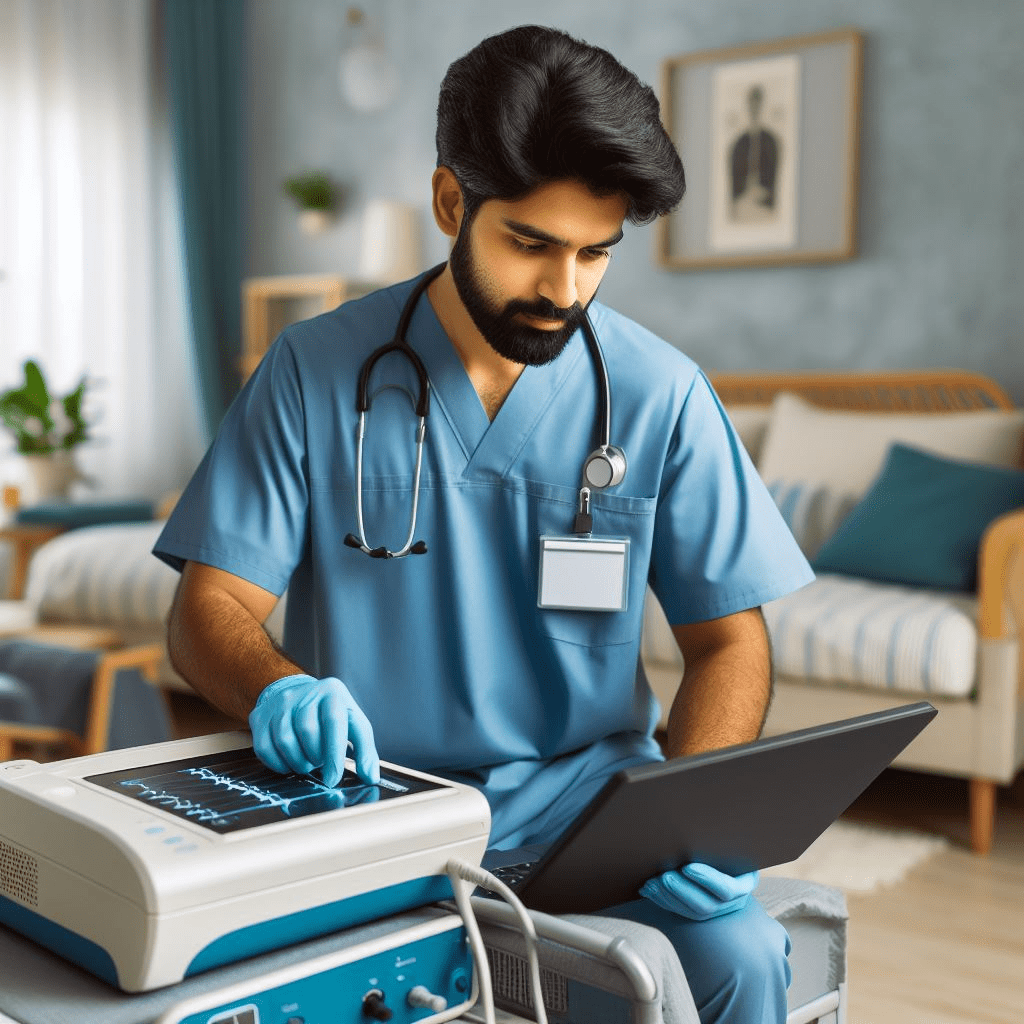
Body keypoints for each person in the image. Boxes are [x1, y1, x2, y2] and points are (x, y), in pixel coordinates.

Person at [155, 25, 813, 1024]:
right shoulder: (312, 371)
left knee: (743, 958)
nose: (565, 290)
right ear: (451, 202)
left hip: (594, 815)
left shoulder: (660, 394)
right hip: (368, 807)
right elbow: (210, 608)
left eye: (596, 253)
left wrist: (697, 814)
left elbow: (729, 639)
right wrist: (275, 686)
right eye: (532, 245)